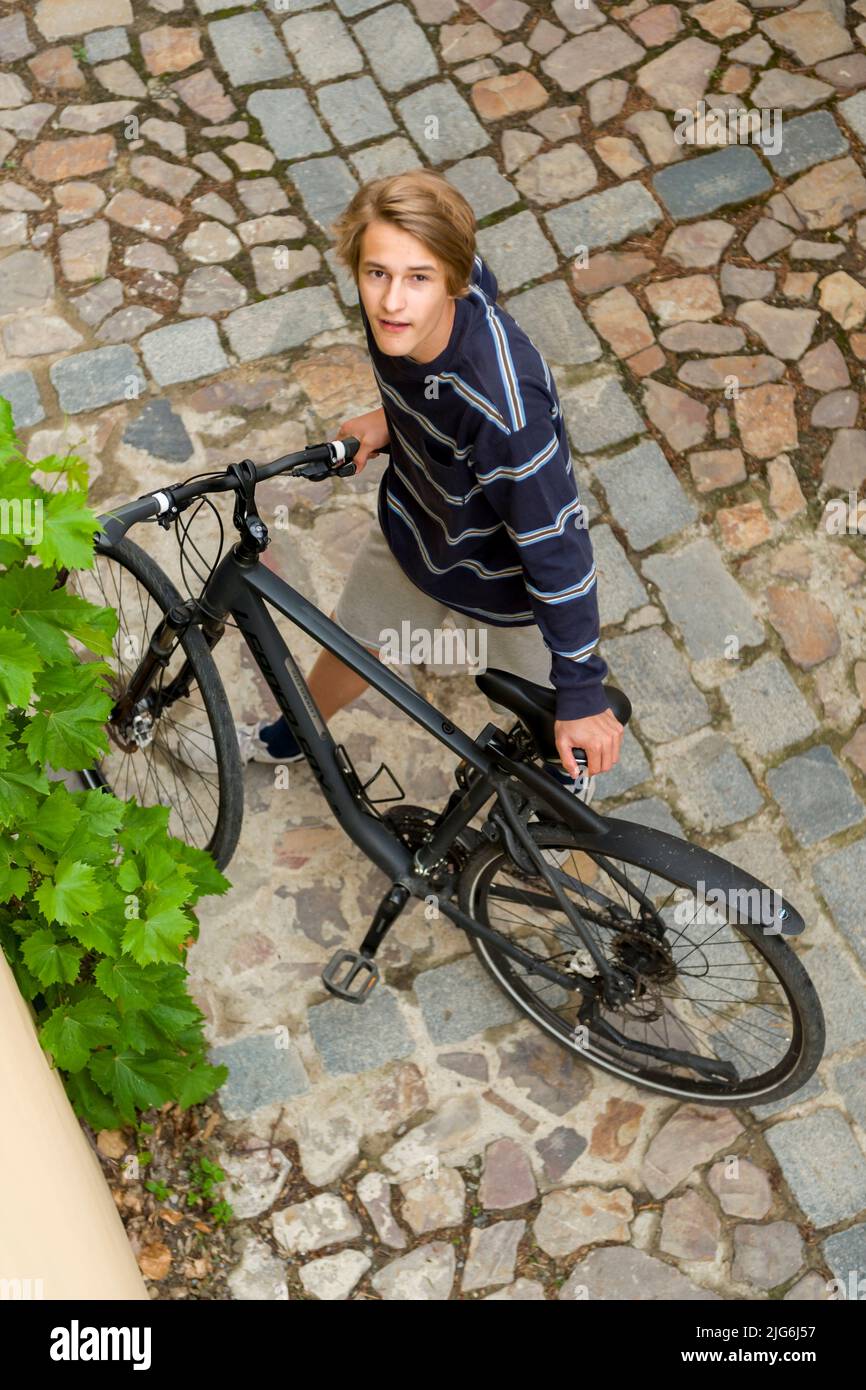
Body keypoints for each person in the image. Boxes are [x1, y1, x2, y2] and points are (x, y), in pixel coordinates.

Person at [237, 168, 624, 802]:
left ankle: (560, 800)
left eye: (418, 278)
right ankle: (297, 733)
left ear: (455, 276)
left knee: (553, 722)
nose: (392, 302)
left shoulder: (506, 411)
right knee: (355, 636)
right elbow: (429, 390)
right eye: (377, 273)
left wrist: (583, 690)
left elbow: (558, 549)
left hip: (512, 584)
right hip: (421, 523)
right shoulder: (399, 319)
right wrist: (390, 422)